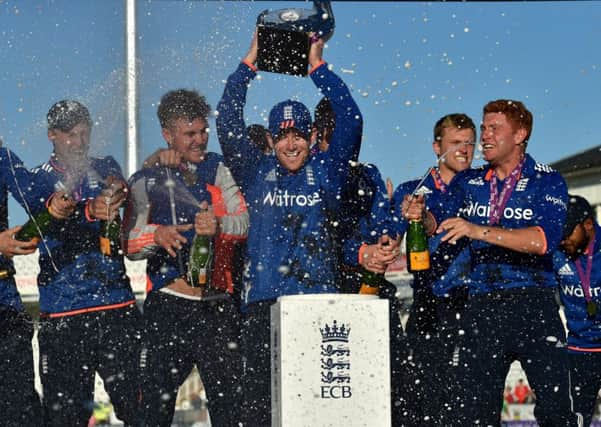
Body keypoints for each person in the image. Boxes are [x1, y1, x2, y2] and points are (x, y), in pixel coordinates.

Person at [216, 33, 362, 425]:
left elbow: (351, 118)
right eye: (283, 136)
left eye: (299, 134)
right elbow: (227, 119)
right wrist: (249, 63)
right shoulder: (254, 171)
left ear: (312, 137)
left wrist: (318, 66)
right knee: (260, 410)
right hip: (263, 306)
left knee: (317, 410)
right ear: (270, 139)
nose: (292, 143)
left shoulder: (327, 173)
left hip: (317, 304)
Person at [434, 99, 575, 426]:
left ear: (520, 134)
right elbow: (440, 222)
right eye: (483, 128)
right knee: (475, 415)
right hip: (483, 306)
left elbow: (541, 241)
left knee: (556, 412)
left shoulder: (546, 179)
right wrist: (422, 218)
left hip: (534, 304)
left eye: (494, 128)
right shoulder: (469, 181)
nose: (484, 136)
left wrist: (477, 230)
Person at [123, 89, 248, 427]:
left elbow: (244, 221)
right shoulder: (146, 178)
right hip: (168, 306)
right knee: (152, 409)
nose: (200, 139)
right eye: (189, 133)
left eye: (203, 131)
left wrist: (219, 224)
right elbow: (129, 244)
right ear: (168, 134)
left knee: (233, 412)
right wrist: (156, 236)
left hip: (218, 306)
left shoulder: (218, 168)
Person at [26, 100, 142, 426]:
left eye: (83, 133)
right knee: (66, 419)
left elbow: (116, 183)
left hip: (116, 307)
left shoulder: (104, 163)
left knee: (143, 411)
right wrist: (85, 209)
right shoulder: (39, 178)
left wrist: (116, 192)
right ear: (51, 135)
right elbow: (47, 215)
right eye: (69, 135)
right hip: (63, 314)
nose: (78, 142)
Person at [391, 113, 476, 425]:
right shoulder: (413, 190)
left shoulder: (482, 186)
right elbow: (420, 227)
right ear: (436, 146)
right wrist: (417, 217)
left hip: (475, 301)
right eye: (456, 143)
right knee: (424, 394)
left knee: (472, 396)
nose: (464, 150)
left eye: (470, 143)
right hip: (429, 302)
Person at [0, 146, 44, 427]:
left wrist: (62, 199)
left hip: (5, 307)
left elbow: (36, 196)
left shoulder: (0, 156)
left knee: (20, 412)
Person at [554, 194, 601, 427]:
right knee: (574, 421)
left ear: (588, 225)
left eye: (567, 233)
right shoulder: (556, 252)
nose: (562, 240)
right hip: (579, 351)